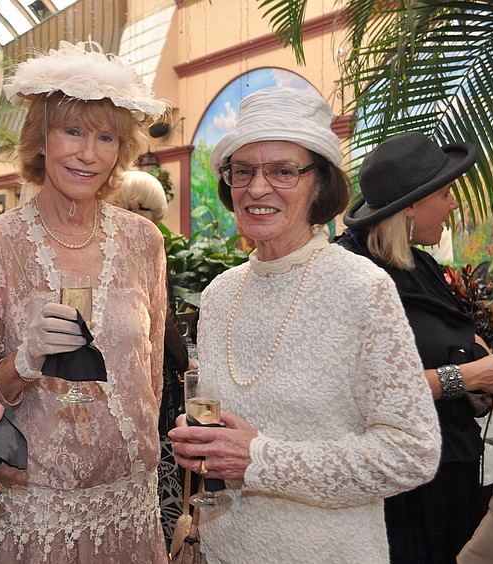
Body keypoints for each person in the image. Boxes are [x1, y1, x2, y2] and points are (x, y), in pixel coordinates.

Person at [169, 87, 442, 563]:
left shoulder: (361, 287)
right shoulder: (219, 294)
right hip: (225, 549)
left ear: (320, 185)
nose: (257, 188)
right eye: (243, 171)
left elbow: (413, 453)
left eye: (282, 171)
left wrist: (262, 460)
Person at [0, 41, 171, 563]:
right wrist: (24, 362)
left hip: (129, 498)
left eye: (106, 137)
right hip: (37, 506)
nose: (87, 153)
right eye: (72, 131)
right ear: (41, 140)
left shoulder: (145, 241)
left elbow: (153, 371)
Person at [337, 131, 493, 563]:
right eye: (445, 193)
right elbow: (360, 389)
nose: (453, 205)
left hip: (452, 467)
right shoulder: (353, 275)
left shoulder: (420, 262)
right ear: (412, 205)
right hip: (403, 489)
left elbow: (447, 341)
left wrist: (476, 379)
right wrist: (468, 376)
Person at [112, 169, 192, 548]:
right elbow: (166, 325)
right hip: (149, 374)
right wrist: (184, 363)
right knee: (158, 457)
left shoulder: (101, 243)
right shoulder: (146, 245)